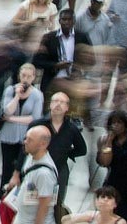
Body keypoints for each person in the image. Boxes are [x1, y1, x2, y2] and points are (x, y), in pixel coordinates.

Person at [15, 93, 87, 221]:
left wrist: (68, 152)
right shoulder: (38, 125)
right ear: (50, 104)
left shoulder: (71, 129)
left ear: (67, 108)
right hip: (37, 167)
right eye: (55, 101)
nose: (58, 104)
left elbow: (82, 149)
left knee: (56, 203)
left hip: (59, 169)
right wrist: (16, 173)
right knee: (31, 200)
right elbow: (24, 149)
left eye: (62, 102)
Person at [0, 63, 44, 201]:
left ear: (33, 77)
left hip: (25, 136)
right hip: (8, 134)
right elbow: (7, 110)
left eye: (29, 76)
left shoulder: (37, 95)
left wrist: (11, 119)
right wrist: (17, 97)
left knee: (22, 166)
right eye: (23, 75)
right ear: (19, 75)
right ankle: (2, 191)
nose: (25, 79)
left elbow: (34, 118)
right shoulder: (10, 90)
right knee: (6, 164)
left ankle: (17, 195)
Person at [4, 125, 59, 224]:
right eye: (26, 138)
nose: (25, 142)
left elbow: (44, 206)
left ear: (42, 144)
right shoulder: (30, 156)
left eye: (30, 140)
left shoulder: (44, 174)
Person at [60, 186, 127, 224]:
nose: (105, 200)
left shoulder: (120, 222)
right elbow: (64, 220)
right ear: (96, 201)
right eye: (102, 197)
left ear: (115, 204)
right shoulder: (91, 215)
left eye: (109, 198)